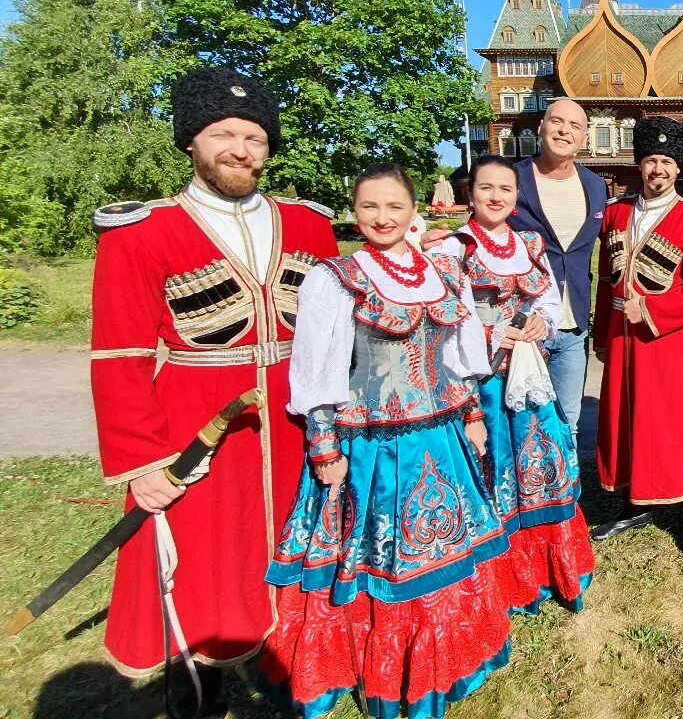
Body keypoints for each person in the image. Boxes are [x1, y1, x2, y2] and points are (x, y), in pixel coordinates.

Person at [89, 67, 338, 713]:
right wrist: (145, 463)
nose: (240, 149)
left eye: (254, 136)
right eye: (224, 133)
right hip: (197, 437)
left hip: (292, 429)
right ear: (191, 140)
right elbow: (121, 356)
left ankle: (294, 678)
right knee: (197, 577)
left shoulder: (309, 226)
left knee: (298, 553)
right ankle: (196, 692)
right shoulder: (142, 231)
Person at [262, 164, 509, 719]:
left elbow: (458, 354)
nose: (382, 217)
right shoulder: (337, 277)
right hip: (371, 438)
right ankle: (380, 666)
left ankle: (446, 658)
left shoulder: (442, 271)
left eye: (394, 206)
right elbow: (317, 368)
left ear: (412, 210)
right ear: (355, 210)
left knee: (445, 545)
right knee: (377, 554)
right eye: (370, 207)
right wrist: (323, 445)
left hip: (440, 431)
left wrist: (470, 411)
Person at [429, 155, 594, 613]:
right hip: (481, 378)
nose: (496, 196)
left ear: (517, 195)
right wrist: (496, 333)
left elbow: (545, 298)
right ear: (471, 193)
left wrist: (541, 321)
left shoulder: (529, 243)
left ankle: (548, 567)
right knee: (494, 466)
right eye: (486, 188)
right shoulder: (453, 248)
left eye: (505, 188)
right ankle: (504, 578)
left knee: (543, 460)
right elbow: (444, 319)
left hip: (529, 374)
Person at [589, 117, 683, 561]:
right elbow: (605, 278)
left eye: (667, 161)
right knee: (628, 418)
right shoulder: (615, 213)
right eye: (651, 160)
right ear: (639, 164)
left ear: (678, 168)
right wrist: (602, 336)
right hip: (623, 341)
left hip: (666, 341)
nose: (658, 169)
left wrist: (650, 309)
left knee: (673, 424)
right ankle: (636, 501)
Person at [506, 99, 609, 441]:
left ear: (585, 138)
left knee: (568, 423)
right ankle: (523, 493)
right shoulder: (512, 179)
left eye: (574, 126)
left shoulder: (595, 185)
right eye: (556, 122)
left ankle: (567, 495)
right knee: (518, 422)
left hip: (573, 326)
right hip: (522, 323)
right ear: (541, 127)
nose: (564, 130)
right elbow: (481, 232)